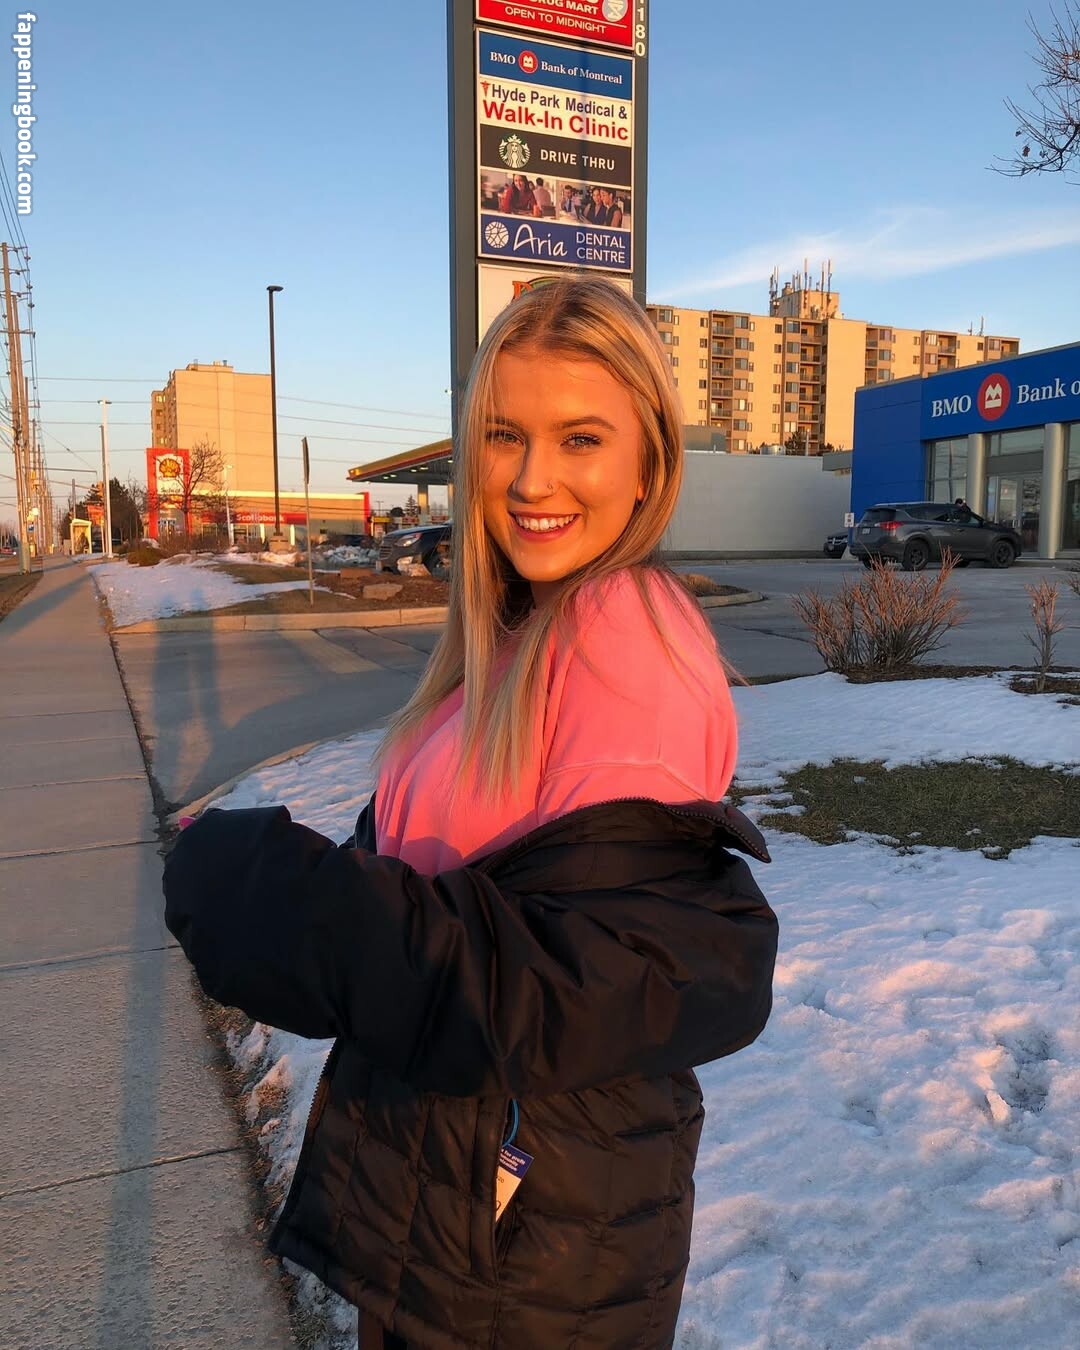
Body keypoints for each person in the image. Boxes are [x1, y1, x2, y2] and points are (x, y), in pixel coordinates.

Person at [164, 276, 778, 1350]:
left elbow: (580, 982)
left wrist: (273, 896)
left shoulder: (622, 632)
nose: (532, 478)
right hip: (459, 1213)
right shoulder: (524, 633)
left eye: (580, 438)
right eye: (504, 435)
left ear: (649, 464)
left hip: (534, 1244)